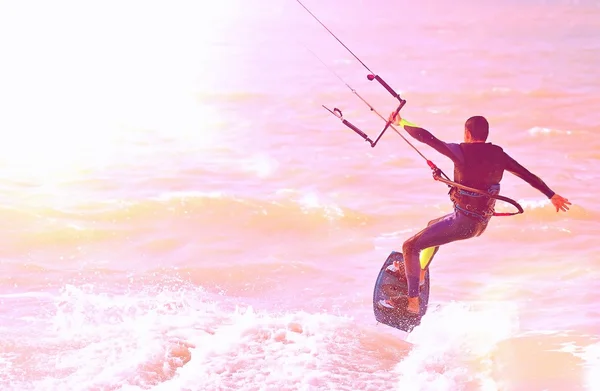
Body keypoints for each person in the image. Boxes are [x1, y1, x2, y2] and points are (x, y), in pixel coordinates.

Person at [380, 113, 571, 315]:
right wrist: (551, 195)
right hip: (480, 223)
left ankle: (412, 303)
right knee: (432, 226)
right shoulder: (499, 155)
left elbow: (426, 137)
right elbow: (527, 175)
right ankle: (418, 275)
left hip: (462, 222)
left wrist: (401, 122)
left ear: (467, 133)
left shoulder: (461, 151)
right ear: (486, 135)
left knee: (410, 246)